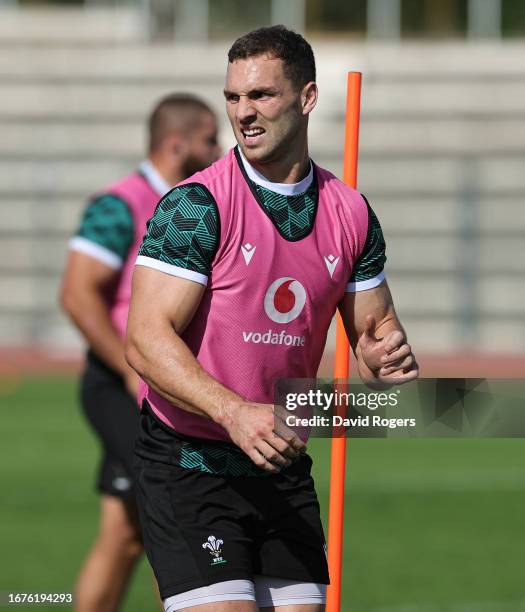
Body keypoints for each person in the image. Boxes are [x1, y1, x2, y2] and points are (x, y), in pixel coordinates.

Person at [126, 26, 418, 612]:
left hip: (283, 460)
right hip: (192, 463)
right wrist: (233, 412)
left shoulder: (351, 212)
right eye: (233, 98)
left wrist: (385, 358)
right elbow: (144, 339)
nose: (243, 114)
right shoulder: (196, 206)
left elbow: (374, 334)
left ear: (307, 98)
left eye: (261, 95)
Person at [60, 93, 220, 612]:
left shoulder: (197, 203)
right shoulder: (120, 204)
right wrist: (131, 368)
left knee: (126, 534)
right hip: (124, 385)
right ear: (178, 143)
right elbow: (77, 294)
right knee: (173, 518)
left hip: (162, 383)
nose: (220, 149)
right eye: (209, 138)